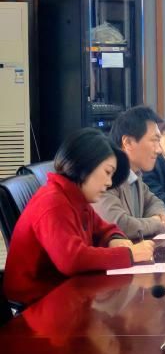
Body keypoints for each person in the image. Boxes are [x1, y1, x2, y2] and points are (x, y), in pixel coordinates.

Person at [3, 129, 155, 305]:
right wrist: (129, 254)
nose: (109, 182)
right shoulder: (53, 202)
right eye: (107, 172)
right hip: (37, 305)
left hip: (65, 293)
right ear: (85, 166)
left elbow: (105, 228)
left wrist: (115, 239)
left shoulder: (76, 198)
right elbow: (72, 260)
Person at [93, 106, 165, 240]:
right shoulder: (107, 177)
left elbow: (154, 202)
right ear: (128, 142)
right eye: (154, 140)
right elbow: (119, 225)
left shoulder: (135, 174)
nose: (159, 150)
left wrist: (161, 215)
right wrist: (157, 223)